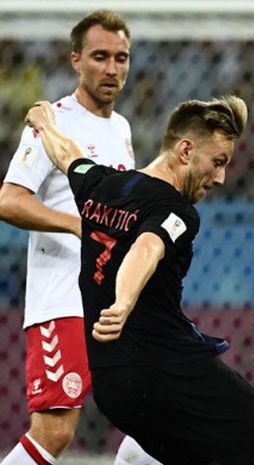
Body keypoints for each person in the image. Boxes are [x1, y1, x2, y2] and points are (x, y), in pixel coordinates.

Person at [24, 95, 254, 465]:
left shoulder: (100, 186)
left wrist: (44, 123)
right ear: (186, 150)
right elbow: (146, 248)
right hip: (168, 372)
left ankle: (136, 457)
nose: (221, 178)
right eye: (218, 162)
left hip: (116, 390)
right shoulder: (177, 211)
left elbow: (67, 155)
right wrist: (123, 302)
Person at [0, 10, 157, 465]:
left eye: (121, 58)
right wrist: (77, 226)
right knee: (54, 432)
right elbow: (9, 200)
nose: (111, 69)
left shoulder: (122, 128)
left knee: (158, 415)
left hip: (112, 304)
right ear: (76, 60)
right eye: (100, 57)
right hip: (63, 301)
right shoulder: (51, 123)